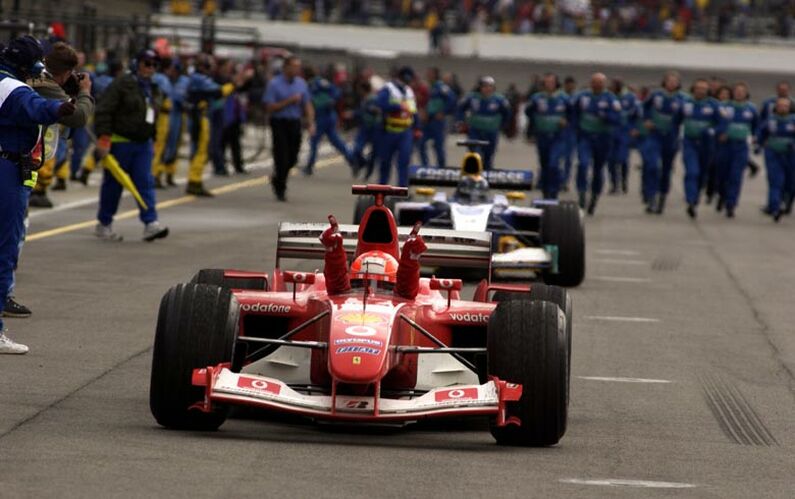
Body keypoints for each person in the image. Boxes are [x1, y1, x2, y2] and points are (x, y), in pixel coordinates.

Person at [0, 35, 75, 354]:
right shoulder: (13, 88)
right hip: (7, 169)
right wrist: (66, 105)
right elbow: (38, 109)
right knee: (4, 250)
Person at [94, 48, 169, 242]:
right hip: (120, 143)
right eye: (147, 63)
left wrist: (152, 138)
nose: (150, 68)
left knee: (145, 183)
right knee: (113, 186)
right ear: (138, 63)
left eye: (154, 65)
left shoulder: (153, 88)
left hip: (142, 144)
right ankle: (104, 223)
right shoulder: (122, 84)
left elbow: (152, 116)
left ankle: (150, 223)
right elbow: (104, 110)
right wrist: (103, 138)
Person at [28, 42, 95, 209]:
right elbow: (78, 117)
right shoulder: (46, 85)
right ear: (65, 73)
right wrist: (85, 91)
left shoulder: (33, 77)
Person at [319, 217, 427, 300]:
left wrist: (411, 259)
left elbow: (406, 291)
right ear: (349, 282)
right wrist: (333, 251)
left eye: (385, 287)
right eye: (359, 285)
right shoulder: (341, 293)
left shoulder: (403, 295)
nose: (371, 294)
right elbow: (338, 288)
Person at [262, 55, 314, 201]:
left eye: (298, 67)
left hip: (294, 122)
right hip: (279, 122)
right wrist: (288, 101)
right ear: (286, 67)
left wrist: (311, 123)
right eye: (293, 66)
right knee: (281, 157)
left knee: (293, 157)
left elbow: (307, 104)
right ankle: (280, 187)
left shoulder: (301, 83)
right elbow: (269, 107)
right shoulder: (274, 84)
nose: (296, 69)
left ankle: (278, 178)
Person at [571, 72, 621, 215]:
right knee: (583, 164)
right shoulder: (582, 97)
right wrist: (575, 127)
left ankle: (594, 196)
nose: (597, 85)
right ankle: (581, 193)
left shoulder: (610, 99)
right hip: (585, 136)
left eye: (600, 82)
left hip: (603, 138)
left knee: (598, 169)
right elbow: (573, 112)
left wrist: (605, 115)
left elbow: (617, 118)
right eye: (594, 82)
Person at [643, 71, 684, 214]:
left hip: (671, 138)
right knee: (652, 166)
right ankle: (651, 197)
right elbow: (645, 108)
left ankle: (662, 198)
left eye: (675, 81)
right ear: (664, 82)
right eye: (669, 80)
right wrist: (647, 120)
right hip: (655, 135)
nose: (672, 83)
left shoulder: (682, 99)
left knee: (666, 170)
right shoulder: (656, 95)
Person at [680, 78, 721, 219]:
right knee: (692, 172)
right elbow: (676, 120)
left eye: (703, 88)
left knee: (702, 174)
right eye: (698, 88)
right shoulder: (686, 103)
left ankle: (696, 198)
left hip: (707, 145)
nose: (700, 91)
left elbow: (723, 123)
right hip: (689, 142)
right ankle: (690, 200)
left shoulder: (714, 105)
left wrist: (713, 130)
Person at [716, 83, 757, 218]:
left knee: (736, 176)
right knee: (721, 175)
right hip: (725, 146)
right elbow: (715, 123)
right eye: (737, 91)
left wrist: (757, 139)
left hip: (740, 147)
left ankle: (731, 204)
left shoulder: (751, 109)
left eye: (742, 91)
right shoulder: (724, 107)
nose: (739, 93)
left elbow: (757, 127)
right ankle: (722, 194)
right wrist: (720, 133)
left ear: (746, 93)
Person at [524, 73, 569, 199]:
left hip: (557, 137)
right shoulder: (537, 98)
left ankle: (554, 192)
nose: (549, 84)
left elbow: (573, 114)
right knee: (544, 164)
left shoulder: (564, 98)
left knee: (553, 164)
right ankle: (545, 192)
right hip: (542, 136)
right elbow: (529, 113)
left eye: (551, 82)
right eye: (547, 82)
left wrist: (566, 121)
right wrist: (531, 131)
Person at [304, 65, 352, 175]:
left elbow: (336, 92)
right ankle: (352, 159)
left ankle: (309, 166)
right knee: (335, 141)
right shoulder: (312, 84)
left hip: (323, 115)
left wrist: (330, 101)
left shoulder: (317, 83)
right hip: (326, 115)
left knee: (314, 141)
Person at [375, 66, 419, 186]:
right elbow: (380, 103)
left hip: (405, 131)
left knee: (404, 161)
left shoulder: (409, 91)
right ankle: (382, 188)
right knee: (385, 162)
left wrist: (417, 127)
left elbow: (413, 111)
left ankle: (402, 189)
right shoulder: (388, 89)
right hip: (389, 131)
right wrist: (397, 107)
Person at [456, 76, 511, 170]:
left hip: (491, 132)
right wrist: (461, 121)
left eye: (490, 86)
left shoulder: (500, 100)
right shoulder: (472, 97)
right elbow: (460, 108)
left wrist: (502, 125)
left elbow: (507, 113)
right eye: (484, 86)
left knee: (488, 156)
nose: (487, 89)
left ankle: (486, 175)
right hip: (475, 131)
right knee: (475, 155)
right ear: (480, 87)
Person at [757, 96, 795, 221]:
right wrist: (759, 144)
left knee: (790, 182)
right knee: (775, 181)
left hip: (791, 156)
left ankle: (786, 201)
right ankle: (775, 207)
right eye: (780, 105)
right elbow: (761, 134)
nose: (782, 108)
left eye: (785, 106)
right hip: (773, 154)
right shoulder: (770, 120)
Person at [608, 78, 640, 194]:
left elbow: (638, 113)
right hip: (611, 132)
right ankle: (614, 184)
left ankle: (624, 181)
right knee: (611, 160)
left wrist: (635, 128)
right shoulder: (609, 97)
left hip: (625, 132)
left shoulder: (630, 97)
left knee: (622, 159)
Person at [419, 67, 456, 168]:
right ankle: (425, 166)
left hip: (437, 122)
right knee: (421, 143)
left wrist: (443, 112)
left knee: (438, 146)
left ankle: (441, 167)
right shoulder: (427, 87)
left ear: (435, 75)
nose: (428, 75)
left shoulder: (441, 87)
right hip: (427, 121)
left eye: (430, 73)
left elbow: (452, 99)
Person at [151, 57, 175, 189]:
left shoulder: (156, 77)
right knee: (159, 146)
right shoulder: (162, 79)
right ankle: (154, 175)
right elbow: (163, 95)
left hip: (159, 116)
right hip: (162, 116)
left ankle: (157, 174)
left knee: (159, 147)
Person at [351, 79, 381, 179]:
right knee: (357, 149)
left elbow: (378, 111)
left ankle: (368, 171)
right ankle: (363, 163)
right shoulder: (363, 100)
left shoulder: (374, 99)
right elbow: (361, 112)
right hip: (364, 128)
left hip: (374, 128)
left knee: (373, 153)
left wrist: (373, 110)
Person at [561, 76, 578, 190]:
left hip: (571, 132)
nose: (570, 87)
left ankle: (565, 181)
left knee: (568, 158)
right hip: (559, 131)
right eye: (568, 84)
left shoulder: (577, 98)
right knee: (553, 158)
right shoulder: (560, 97)